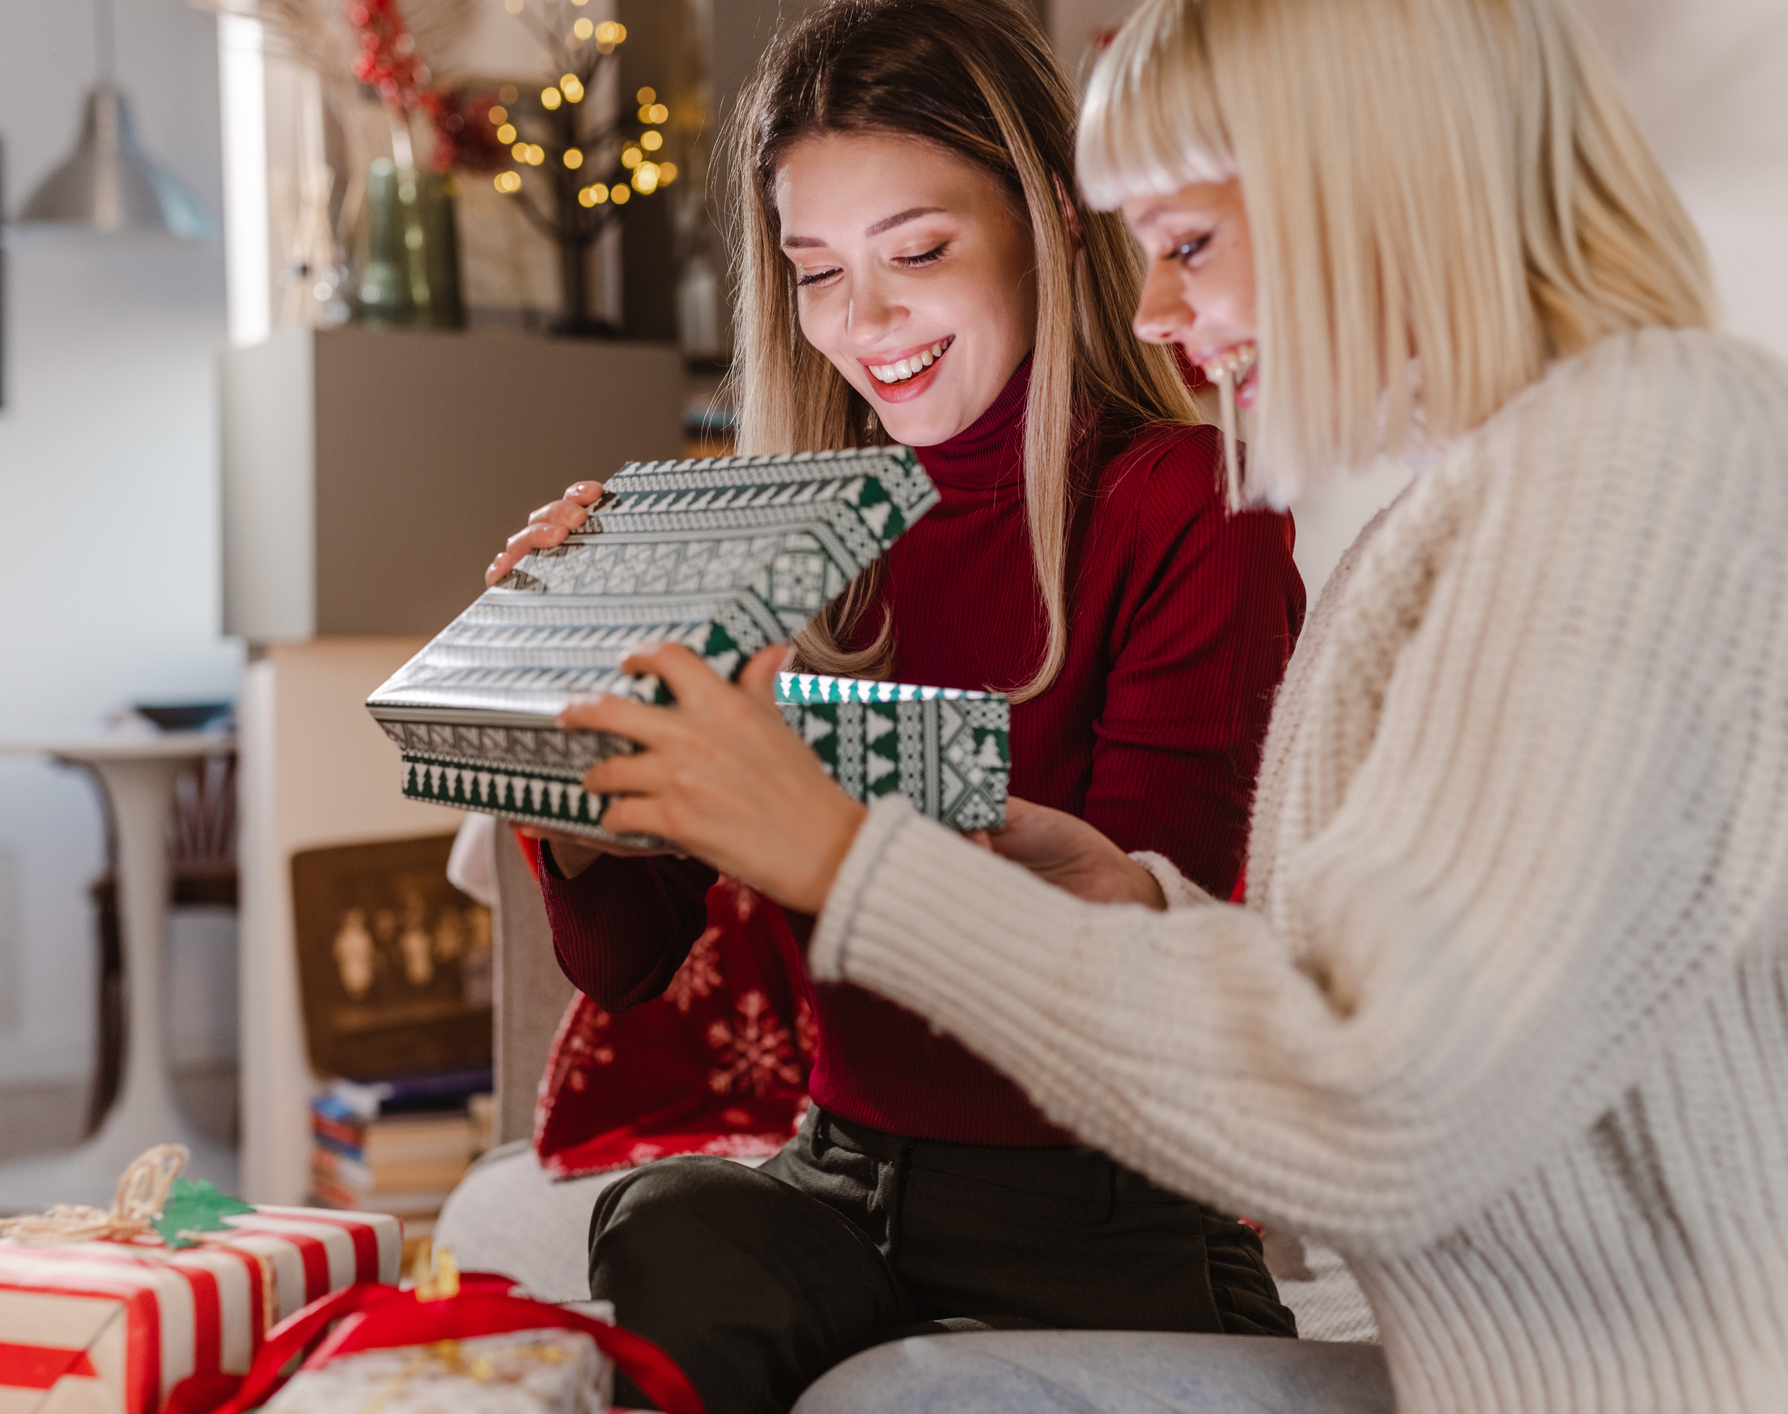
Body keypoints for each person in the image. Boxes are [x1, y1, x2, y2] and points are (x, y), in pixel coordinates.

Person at [556, 0, 1788, 1409]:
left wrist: (849, 858)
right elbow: (1407, 1011)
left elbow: (1382, 1107)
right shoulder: (1472, 511)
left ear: (1379, 184)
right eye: (818, 269)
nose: (1147, 311)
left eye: (1186, 244)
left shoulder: (1652, 462)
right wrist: (1136, 898)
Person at [485, 1, 1306, 1410]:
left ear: (1050, 215)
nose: (864, 323)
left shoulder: (1190, 502)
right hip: (840, 1177)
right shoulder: (795, 530)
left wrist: (820, 830)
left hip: (1091, 1209)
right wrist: (562, 732)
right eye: (815, 272)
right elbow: (626, 957)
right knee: (669, 1228)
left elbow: (1127, 965)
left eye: (917, 253)